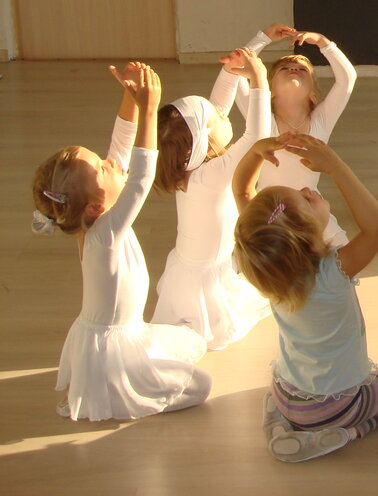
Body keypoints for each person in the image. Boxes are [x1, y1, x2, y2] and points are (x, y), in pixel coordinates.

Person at [32, 63, 209, 421]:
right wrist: (148, 108)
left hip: (129, 332)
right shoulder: (107, 233)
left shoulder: (92, 219)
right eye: (101, 167)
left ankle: (103, 385)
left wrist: (130, 97)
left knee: (195, 343)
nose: (110, 162)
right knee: (200, 387)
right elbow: (142, 176)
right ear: (98, 204)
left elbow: (121, 148)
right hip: (117, 350)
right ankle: (113, 394)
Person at [233, 133, 378, 462]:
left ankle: (282, 421)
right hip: (336, 406)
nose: (306, 190)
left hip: (286, 392)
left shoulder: (267, 265)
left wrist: (256, 153)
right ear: (310, 238)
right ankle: (346, 433)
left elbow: (243, 191)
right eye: (306, 199)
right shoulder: (334, 273)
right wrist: (334, 166)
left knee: (305, 401)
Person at [151, 47, 272, 348]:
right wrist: (259, 80)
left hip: (190, 268)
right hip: (205, 276)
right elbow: (257, 138)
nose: (222, 111)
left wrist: (229, 72)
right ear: (204, 140)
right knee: (211, 328)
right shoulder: (209, 176)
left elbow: (217, 106)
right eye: (216, 117)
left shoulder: (191, 167)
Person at [234, 24, 359, 248]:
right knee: (269, 258)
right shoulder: (260, 116)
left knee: (342, 251)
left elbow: (347, 80)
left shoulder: (321, 120)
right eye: (285, 68)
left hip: (311, 206)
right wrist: (261, 38)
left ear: (313, 95)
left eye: (302, 69)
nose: (294, 68)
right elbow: (235, 71)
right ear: (267, 91)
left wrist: (323, 42)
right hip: (271, 210)